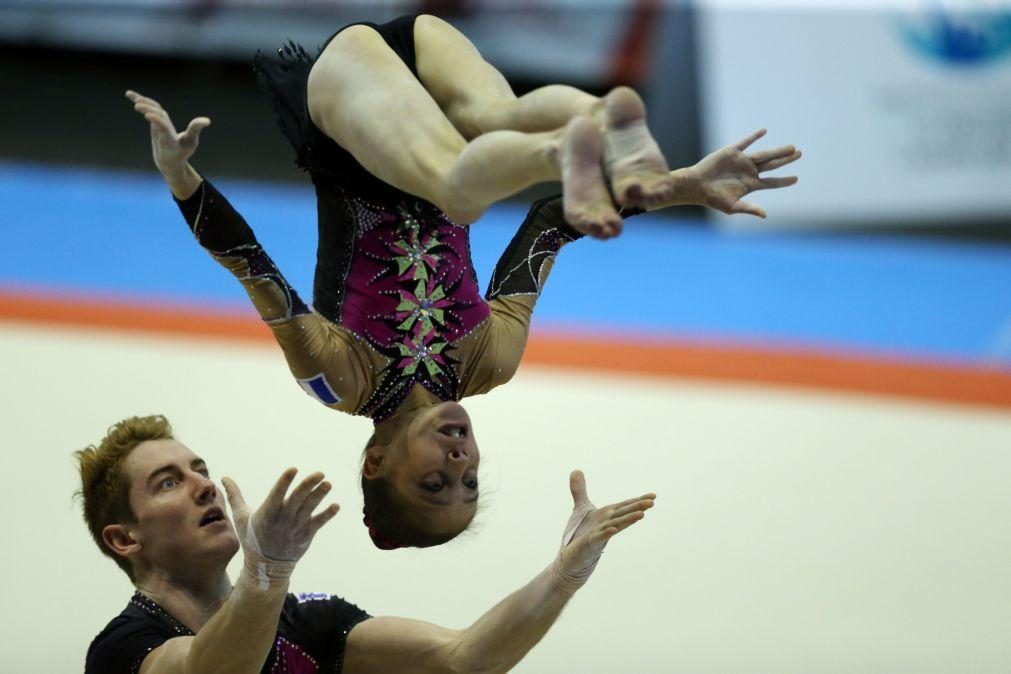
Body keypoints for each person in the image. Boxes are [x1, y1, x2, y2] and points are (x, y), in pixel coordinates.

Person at [125, 19, 799, 550]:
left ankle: (566, 148)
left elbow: (249, 263)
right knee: (497, 114)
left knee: (457, 188)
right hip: (430, 66)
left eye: (434, 480)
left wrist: (180, 177)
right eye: (469, 478)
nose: (458, 456)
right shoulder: (489, 360)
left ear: (376, 463)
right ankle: (599, 126)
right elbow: (548, 225)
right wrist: (681, 187)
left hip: (350, 97)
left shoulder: (340, 379)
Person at [78, 415, 656, 673]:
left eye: (198, 468)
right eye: (169, 483)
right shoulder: (126, 647)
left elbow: (465, 659)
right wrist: (267, 571)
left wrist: (563, 575)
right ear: (124, 538)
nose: (203, 484)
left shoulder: (309, 622)